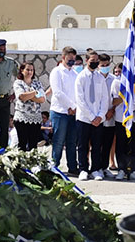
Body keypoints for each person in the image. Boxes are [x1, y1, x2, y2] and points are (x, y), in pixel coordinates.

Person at [74, 52, 111, 180]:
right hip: (84, 118)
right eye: (92, 60)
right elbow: (80, 100)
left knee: (97, 145)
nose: (95, 62)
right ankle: (83, 169)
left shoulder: (100, 78)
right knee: (83, 145)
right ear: (87, 60)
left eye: (96, 60)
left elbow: (105, 98)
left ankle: (95, 169)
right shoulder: (81, 77)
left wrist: (100, 116)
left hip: (98, 119)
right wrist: (91, 117)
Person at [112, 54, 135, 180]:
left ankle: (133, 170)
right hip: (121, 117)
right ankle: (121, 169)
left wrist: (134, 106)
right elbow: (114, 101)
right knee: (121, 144)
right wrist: (124, 97)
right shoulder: (118, 80)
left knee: (134, 144)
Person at [49, 46, 80, 174]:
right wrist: (71, 106)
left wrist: (75, 108)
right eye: (69, 58)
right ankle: (54, 166)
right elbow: (57, 92)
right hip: (59, 112)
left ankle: (72, 167)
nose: (72, 61)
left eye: (74, 58)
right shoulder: (56, 72)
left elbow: (78, 93)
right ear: (63, 57)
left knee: (72, 142)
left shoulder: (75, 73)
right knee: (58, 141)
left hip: (73, 113)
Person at [13, 62, 46, 151]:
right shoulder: (18, 83)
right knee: (22, 144)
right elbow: (22, 97)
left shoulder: (37, 83)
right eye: (27, 69)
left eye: (31, 70)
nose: (30, 72)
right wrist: (35, 93)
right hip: (22, 117)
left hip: (35, 118)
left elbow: (42, 99)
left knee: (33, 145)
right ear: (22, 70)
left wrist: (29, 96)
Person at [97, 54, 118, 177]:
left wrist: (112, 110)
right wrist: (102, 113)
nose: (105, 67)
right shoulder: (95, 78)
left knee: (107, 143)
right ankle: (96, 167)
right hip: (98, 116)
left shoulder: (113, 79)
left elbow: (115, 97)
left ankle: (105, 167)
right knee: (97, 144)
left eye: (107, 65)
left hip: (110, 117)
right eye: (102, 65)